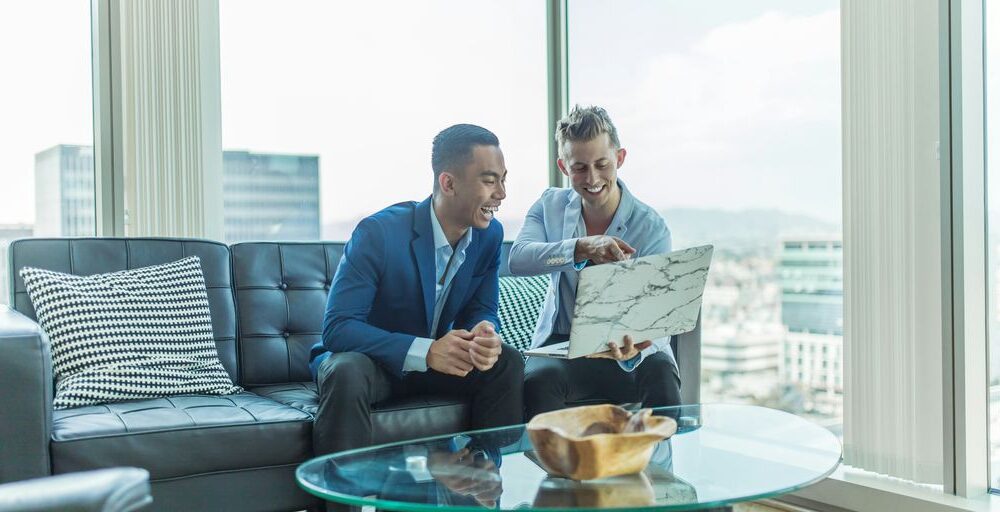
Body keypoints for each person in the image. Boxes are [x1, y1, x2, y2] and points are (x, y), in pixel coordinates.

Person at [310, 124, 524, 456]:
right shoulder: (378, 233)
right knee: (346, 371)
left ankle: (480, 487)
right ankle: (338, 503)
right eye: (489, 180)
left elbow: (481, 308)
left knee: (505, 361)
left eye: (503, 179)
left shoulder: (489, 235)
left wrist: (484, 331)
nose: (502, 193)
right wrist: (425, 351)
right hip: (375, 363)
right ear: (448, 183)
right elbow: (338, 329)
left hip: (435, 365)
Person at [509, 106, 681, 419]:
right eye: (580, 168)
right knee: (538, 381)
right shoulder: (549, 206)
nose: (592, 179)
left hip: (628, 348)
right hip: (563, 346)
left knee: (661, 372)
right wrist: (581, 248)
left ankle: (664, 467)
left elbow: (660, 316)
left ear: (620, 158)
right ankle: (555, 468)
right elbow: (518, 259)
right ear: (563, 166)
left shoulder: (651, 227)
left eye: (602, 164)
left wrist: (637, 345)